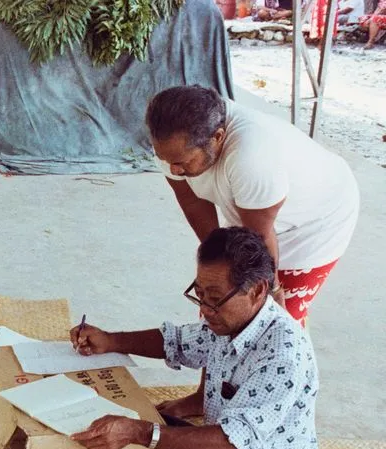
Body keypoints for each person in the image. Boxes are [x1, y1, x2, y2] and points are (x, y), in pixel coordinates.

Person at [69, 227, 320, 449]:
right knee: (148, 425)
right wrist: (111, 340)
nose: (204, 310)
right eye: (199, 295)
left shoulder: (283, 353)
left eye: (214, 299)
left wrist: (142, 434)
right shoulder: (228, 321)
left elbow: (231, 442)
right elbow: (176, 342)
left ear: (258, 291)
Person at [146, 85, 358, 327]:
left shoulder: (251, 156)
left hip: (316, 219)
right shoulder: (171, 143)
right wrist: (217, 261)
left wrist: (274, 291)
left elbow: (259, 236)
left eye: (182, 162)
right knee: (219, 308)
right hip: (254, 208)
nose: (174, 170)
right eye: (166, 160)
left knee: (271, 323)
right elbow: (192, 201)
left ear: (218, 137)